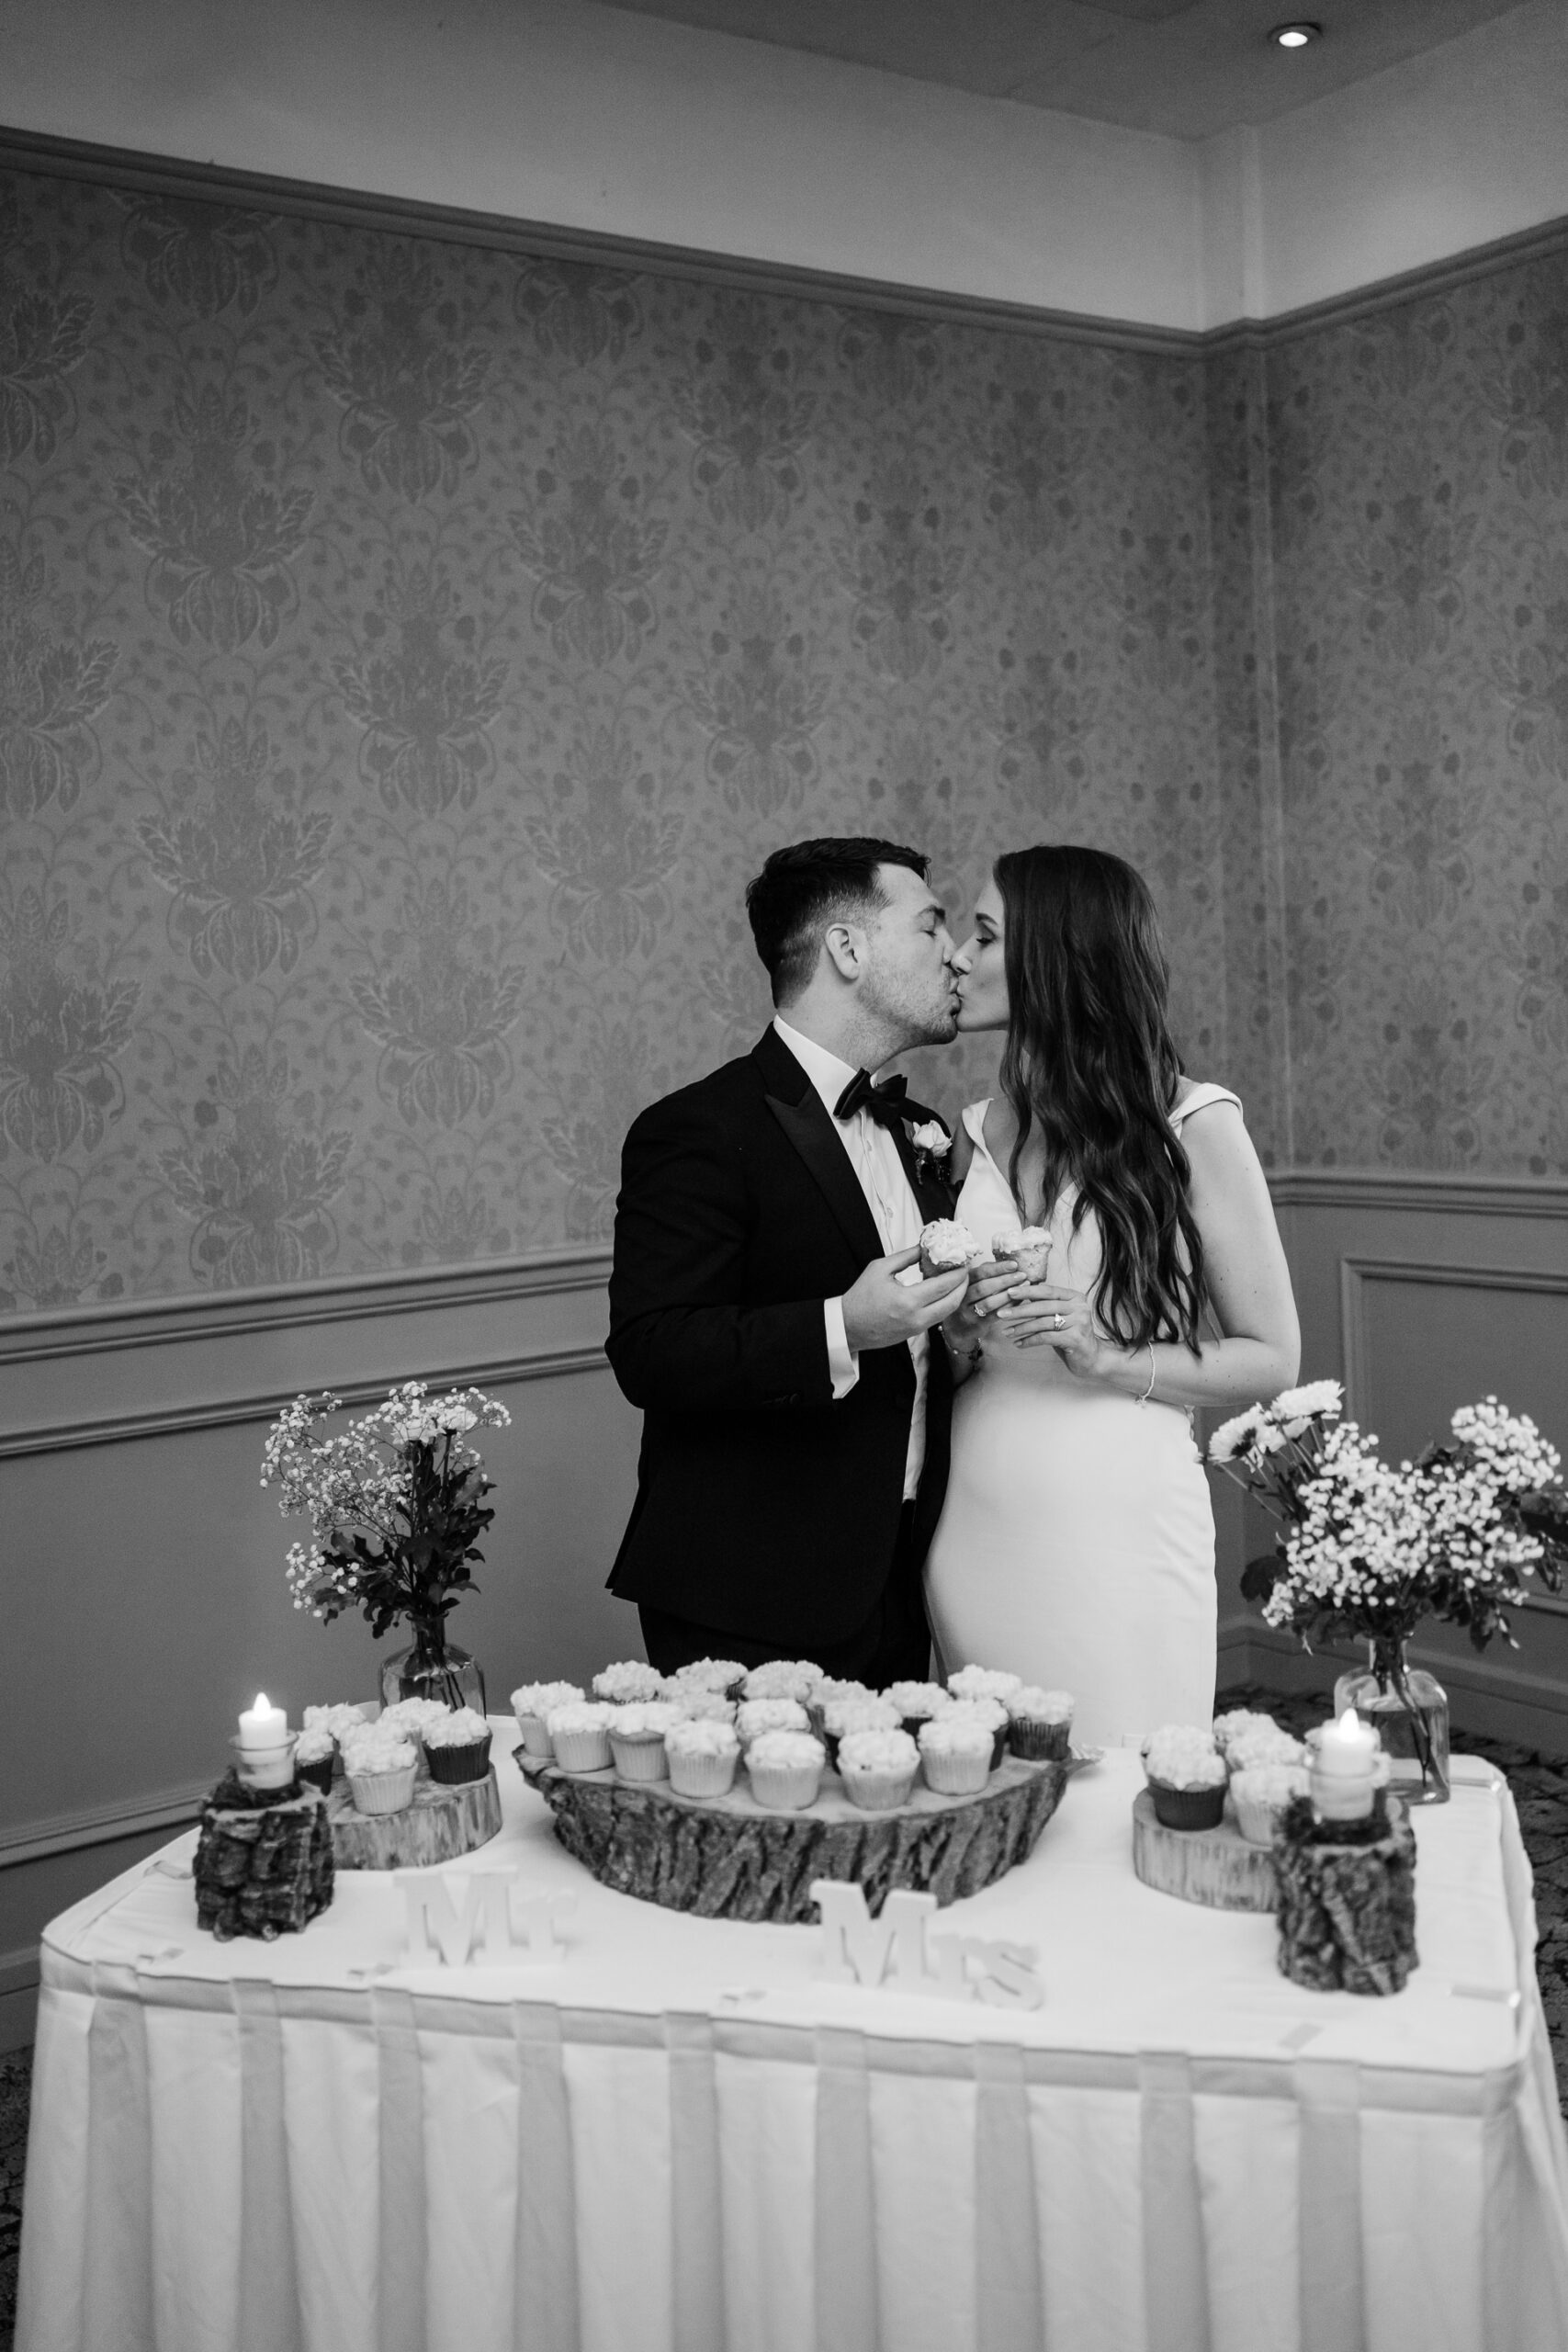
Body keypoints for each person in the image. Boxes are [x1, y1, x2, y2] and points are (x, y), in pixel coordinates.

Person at [925, 844, 1301, 1746]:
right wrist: (966, 1329)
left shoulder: (1194, 1123)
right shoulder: (971, 1131)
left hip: (1119, 1517)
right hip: (974, 1511)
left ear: (1057, 956)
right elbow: (958, 1353)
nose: (959, 958)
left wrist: (1103, 1353)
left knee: (1132, 1774)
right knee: (996, 1788)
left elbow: (1271, 1357)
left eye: (984, 935)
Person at [606, 836, 968, 1681]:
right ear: (847, 949)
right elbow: (651, 1352)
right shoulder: (699, 1128)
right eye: (929, 928)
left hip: (902, 1573)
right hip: (753, 1593)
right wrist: (844, 1324)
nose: (952, 955)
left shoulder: (924, 1132)